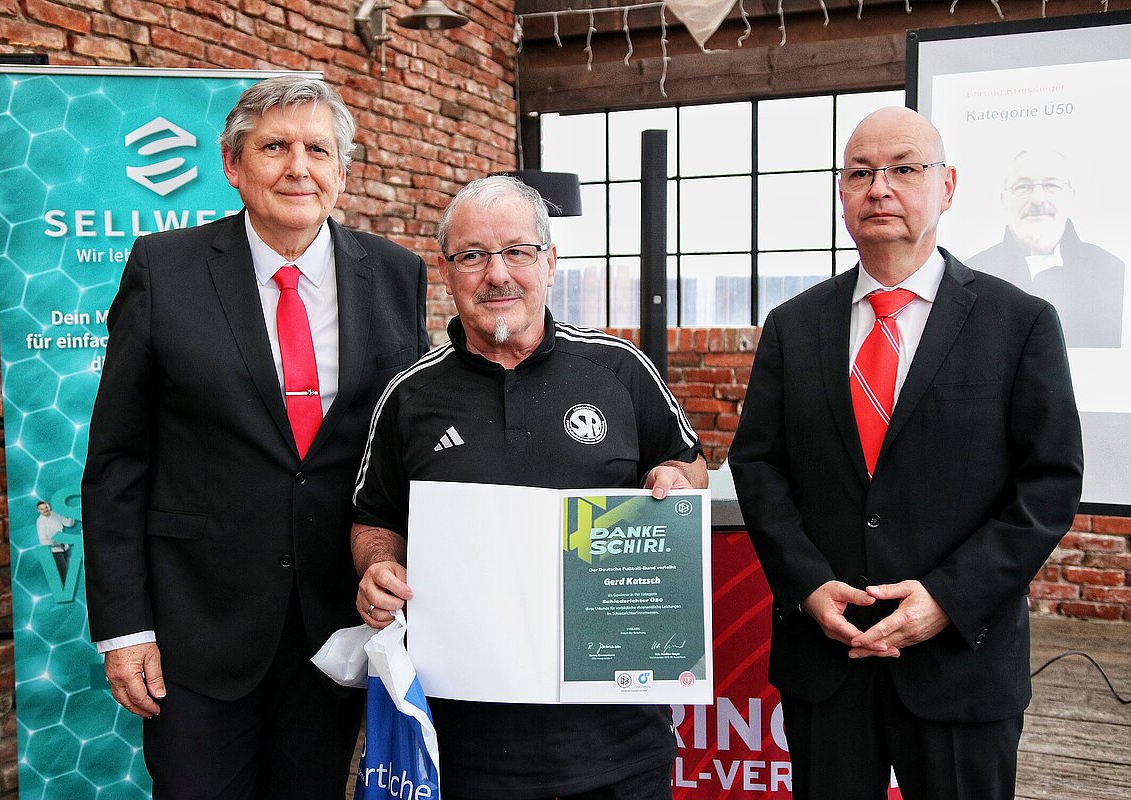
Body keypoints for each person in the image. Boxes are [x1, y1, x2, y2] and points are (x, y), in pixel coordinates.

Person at [81, 75, 429, 798]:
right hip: (196, 630)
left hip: (337, 627)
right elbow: (118, 461)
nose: (298, 168)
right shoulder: (164, 269)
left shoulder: (397, 275)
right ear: (233, 165)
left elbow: (409, 442)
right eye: (274, 147)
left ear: (342, 172)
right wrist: (124, 629)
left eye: (318, 150)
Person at [726, 108, 1083, 800]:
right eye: (861, 173)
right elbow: (759, 467)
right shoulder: (794, 326)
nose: (880, 188)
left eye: (904, 169)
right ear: (842, 194)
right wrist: (807, 586)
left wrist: (948, 599)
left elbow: (1048, 484)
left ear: (947, 187)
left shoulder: (1019, 323)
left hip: (960, 661)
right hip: (827, 657)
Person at [350, 175, 707, 800]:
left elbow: (690, 465)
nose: (497, 274)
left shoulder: (620, 370)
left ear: (550, 262)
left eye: (517, 251)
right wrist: (378, 567)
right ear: (447, 271)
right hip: (463, 750)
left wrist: (677, 480)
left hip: (619, 745)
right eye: (473, 256)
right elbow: (373, 518)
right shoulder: (408, 395)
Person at [969, 149, 1125, 348]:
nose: (1037, 199)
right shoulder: (970, 274)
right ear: (1003, 198)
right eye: (1023, 186)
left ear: (1071, 195)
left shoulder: (1112, 270)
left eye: (1052, 185)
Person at [35, 500, 75, 583]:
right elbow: (42, 540)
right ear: (38, 511)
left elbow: (69, 523)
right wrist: (55, 542)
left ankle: (67, 588)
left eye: (46, 507)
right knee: (63, 571)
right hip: (54, 550)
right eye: (42, 509)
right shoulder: (40, 522)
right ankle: (65, 589)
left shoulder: (56, 514)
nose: (45, 510)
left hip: (65, 547)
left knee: (67, 570)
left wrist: (72, 514)